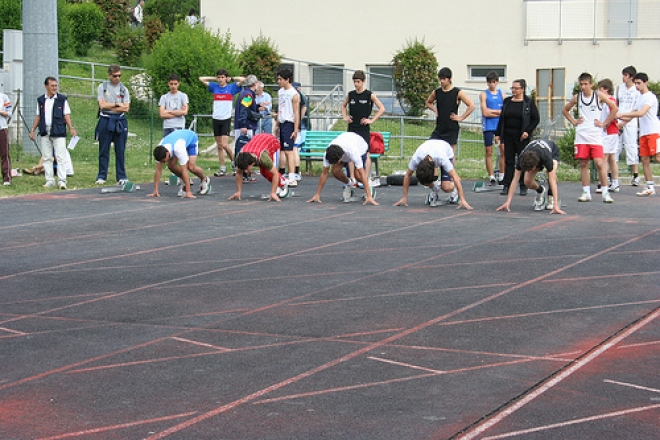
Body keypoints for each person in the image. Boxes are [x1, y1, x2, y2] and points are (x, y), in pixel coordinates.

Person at [562, 72, 618, 203]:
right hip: (582, 134)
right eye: (581, 84)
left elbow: (614, 108)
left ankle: (605, 192)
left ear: (591, 84)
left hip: (596, 134)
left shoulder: (598, 95)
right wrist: (574, 121)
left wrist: (604, 123)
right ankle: (586, 191)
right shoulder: (577, 97)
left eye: (586, 84)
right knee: (583, 163)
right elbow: (565, 110)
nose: (583, 87)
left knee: (599, 163)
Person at [393, 139, 473, 210]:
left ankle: (453, 189)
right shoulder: (416, 158)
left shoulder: (442, 158)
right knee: (427, 179)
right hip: (430, 148)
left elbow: (455, 177)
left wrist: (462, 199)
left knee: (446, 187)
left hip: (446, 150)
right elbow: (408, 175)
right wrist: (404, 197)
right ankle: (434, 189)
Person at [29, 77, 77, 190]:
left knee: (60, 157)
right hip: (45, 131)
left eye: (56, 85)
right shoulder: (41, 100)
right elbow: (38, 116)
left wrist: (71, 127)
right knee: (46, 157)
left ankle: (62, 180)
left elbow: (66, 115)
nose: (55, 88)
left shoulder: (62, 99)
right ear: (46, 86)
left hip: (58, 130)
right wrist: (32, 130)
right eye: (52, 86)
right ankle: (49, 180)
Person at [495, 78, 540, 196]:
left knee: (522, 161)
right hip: (508, 136)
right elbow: (502, 118)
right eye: (512, 88)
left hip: (522, 137)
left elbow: (535, 119)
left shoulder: (528, 103)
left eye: (516, 88)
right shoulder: (507, 101)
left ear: (522, 89)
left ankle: (523, 185)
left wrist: (527, 131)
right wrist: (498, 134)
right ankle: (507, 185)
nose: (513, 90)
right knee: (508, 160)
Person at [617, 72, 659, 197]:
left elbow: (641, 113)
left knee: (657, 157)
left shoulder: (650, 97)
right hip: (644, 132)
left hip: (654, 131)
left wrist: (621, 115)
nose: (637, 86)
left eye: (639, 83)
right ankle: (650, 186)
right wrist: (621, 123)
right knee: (645, 160)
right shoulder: (639, 97)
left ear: (646, 83)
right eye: (635, 83)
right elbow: (634, 112)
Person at [496, 139, 565, 215]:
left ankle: (551, 197)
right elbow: (515, 180)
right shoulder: (521, 159)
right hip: (534, 154)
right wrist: (508, 202)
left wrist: (556, 206)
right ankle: (540, 190)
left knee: (551, 175)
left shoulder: (546, 157)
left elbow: (553, 181)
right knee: (527, 181)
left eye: (530, 170)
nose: (529, 171)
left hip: (552, 152)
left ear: (535, 166)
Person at [307, 132, 378, 205]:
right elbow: (324, 173)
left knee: (358, 175)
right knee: (335, 171)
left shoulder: (353, 152)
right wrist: (317, 194)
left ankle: (369, 187)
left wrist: (369, 196)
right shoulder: (328, 153)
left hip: (360, 147)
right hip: (345, 145)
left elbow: (362, 172)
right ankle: (350, 183)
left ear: (341, 157)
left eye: (336, 162)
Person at [341, 70, 386, 185]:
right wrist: (345, 117)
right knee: (350, 152)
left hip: (363, 128)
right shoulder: (351, 94)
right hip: (352, 127)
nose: (356, 84)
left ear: (363, 82)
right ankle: (352, 179)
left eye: (358, 82)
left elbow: (382, 108)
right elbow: (343, 105)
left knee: (366, 153)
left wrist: (371, 120)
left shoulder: (369, 95)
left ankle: (365, 178)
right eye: (354, 82)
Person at [199, 69, 245, 176]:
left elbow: (243, 79)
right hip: (216, 118)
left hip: (226, 119)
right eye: (219, 77)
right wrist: (213, 78)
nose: (220, 79)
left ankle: (234, 162)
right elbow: (201, 79)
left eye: (222, 77)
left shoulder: (231, 87)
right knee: (219, 145)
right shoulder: (214, 87)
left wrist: (232, 78)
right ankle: (222, 168)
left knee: (225, 144)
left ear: (226, 78)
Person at [148, 129, 211, 199]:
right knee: (171, 165)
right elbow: (158, 171)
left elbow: (184, 170)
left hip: (191, 139)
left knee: (191, 167)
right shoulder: (159, 150)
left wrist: (188, 192)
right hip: (177, 140)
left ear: (167, 154)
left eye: (163, 161)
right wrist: (155, 190)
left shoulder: (178, 148)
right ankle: (186, 182)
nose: (163, 163)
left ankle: (204, 179)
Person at [95, 64, 130, 185]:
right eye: (115, 76)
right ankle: (101, 175)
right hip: (105, 120)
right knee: (104, 149)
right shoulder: (102, 87)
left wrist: (111, 105)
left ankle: (121, 176)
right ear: (109, 75)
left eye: (119, 75)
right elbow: (102, 106)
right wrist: (116, 104)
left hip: (119, 121)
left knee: (120, 150)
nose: (117, 78)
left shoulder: (124, 89)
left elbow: (126, 108)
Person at [425, 67, 475, 150]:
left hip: (451, 127)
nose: (442, 81)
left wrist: (461, 118)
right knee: (431, 148)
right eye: (440, 79)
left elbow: (471, 105)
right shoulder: (437, 92)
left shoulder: (457, 92)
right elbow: (428, 102)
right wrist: (435, 110)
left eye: (444, 79)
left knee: (450, 152)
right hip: (439, 127)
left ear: (450, 79)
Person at [230, 133, 289, 202]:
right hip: (258, 142)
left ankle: (284, 183)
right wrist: (238, 191)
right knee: (262, 171)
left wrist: (273, 193)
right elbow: (239, 173)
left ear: (252, 163)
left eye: (246, 169)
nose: (245, 171)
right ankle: (277, 185)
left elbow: (275, 173)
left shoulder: (263, 158)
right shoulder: (240, 157)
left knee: (267, 172)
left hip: (271, 142)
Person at [274, 68, 300, 187]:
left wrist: (295, 130)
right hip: (282, 123)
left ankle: (292, 177)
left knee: (289, 151)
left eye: (280, 79)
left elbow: (296, 113)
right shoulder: (280, 92)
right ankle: (282, 174)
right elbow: (280, 109)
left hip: (290, 123)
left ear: (287, 80)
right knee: (282, 150)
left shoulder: (294, 94)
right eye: (277, 79)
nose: (278, 81)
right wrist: (277, 125)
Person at [615, 66, 641, 186]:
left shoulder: (636, 90)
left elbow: (636, 109)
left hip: (630, 122)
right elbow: (615, 104)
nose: (623, 77)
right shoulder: (619, 89)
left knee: (631, 146)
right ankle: (612, 175)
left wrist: (624, 122)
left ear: (631, 76)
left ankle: (635, 175)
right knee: (615, 147)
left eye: (625, 75)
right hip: (618, 120)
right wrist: (617, 121)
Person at [479, 70, 506, 185]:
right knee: (488, 151)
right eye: (489, 82)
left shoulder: (502, 94)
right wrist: (498, 112)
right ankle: (491, 176)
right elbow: (485, 112)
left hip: (500, 125)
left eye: (494, 82)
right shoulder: (484, 94)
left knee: (503, 150)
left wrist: (494, 112)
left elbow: (505, 112)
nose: (492, 84)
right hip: (489, 126)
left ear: (497, 82)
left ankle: (502, 175)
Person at [597, 78, 620, 194]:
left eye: (600, 89)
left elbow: (614, 113)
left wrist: (605, 123)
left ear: (606, 89)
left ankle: (604, 182)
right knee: (611, 158)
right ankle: (614, 182)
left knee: (604, 158)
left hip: (609, 132)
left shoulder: (610, 100)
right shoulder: (604, 102)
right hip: (608, 133)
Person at [0, 90, 11, 185]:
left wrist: (1, 112)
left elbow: (9, 113)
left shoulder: (4, 97)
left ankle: (6, 178)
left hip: (2, 128)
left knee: (4, 153)